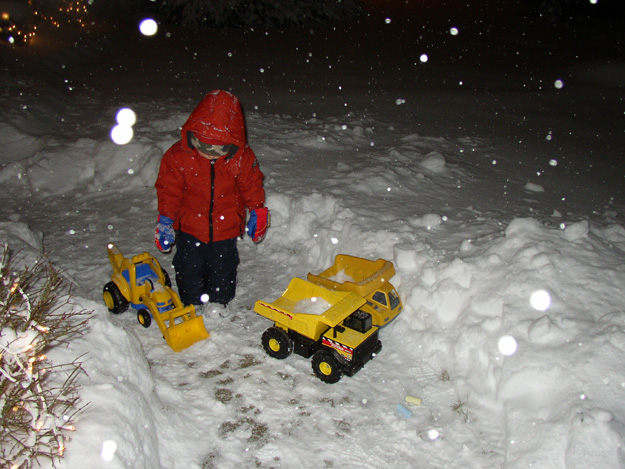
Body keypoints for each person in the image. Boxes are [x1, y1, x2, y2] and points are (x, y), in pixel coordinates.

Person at [154, 90, 268, 314]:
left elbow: (251, 185)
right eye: (204, 146)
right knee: (189, 267)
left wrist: (258, 210)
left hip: (225, 228)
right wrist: (165, 219)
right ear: (193, 135)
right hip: (189, 226)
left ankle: (219, 303)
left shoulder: (241, 158)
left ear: (232, 143)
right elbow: (169, 190)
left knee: (222, 267)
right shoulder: (178, 156)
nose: (210, 154)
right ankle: (191, 303)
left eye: (219, 149)